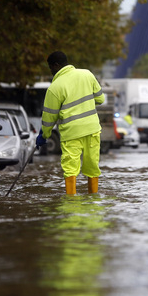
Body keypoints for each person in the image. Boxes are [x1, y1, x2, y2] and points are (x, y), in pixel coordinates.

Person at [36, 51, 105, 195]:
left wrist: (45, 134)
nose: (51, 71)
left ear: (56, 65)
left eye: (50, 67)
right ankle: (93, 200)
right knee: (92, 166)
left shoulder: (54, 88)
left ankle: (71, 203)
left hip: (71, 133)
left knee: (70, 169)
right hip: (92, 129)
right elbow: (100, 99)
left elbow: (50, 116)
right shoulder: (87, 74)